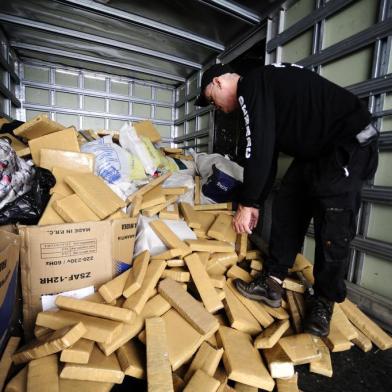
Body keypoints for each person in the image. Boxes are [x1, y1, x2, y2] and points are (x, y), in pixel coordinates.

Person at [195, 62, 379, 337]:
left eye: (212, 99)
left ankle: (324, 301)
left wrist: (246, 205)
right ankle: (273, 280)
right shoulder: (262, 89)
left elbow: (257, 150)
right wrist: (254, 202)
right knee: (288, 203)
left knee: (333, 228)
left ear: (219, 82)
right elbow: (266, 152)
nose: (217, 107)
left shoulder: (251, 85)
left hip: (347, 143)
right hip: (315, 151)